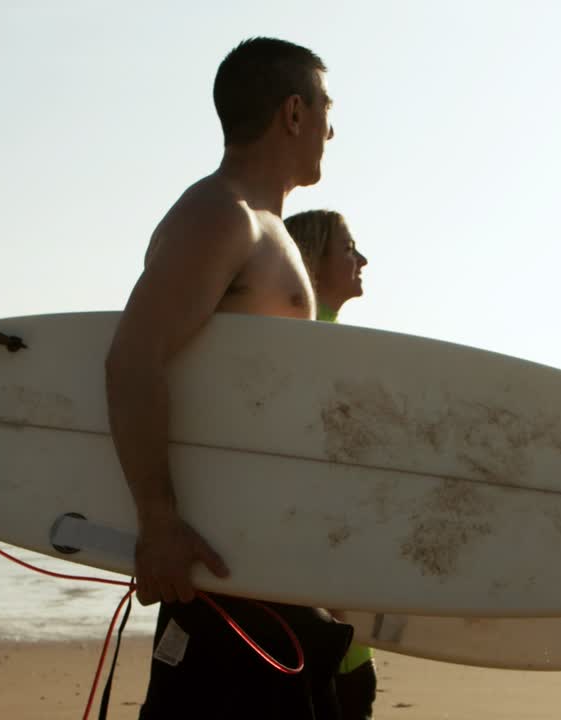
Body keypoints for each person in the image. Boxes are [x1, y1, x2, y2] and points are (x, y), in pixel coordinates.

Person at [104, 38, 352, 719]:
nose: (333, 130)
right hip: (223, 579)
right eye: (327, 109)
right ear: (294, 113)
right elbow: (134, 359)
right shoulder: (221, 216)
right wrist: (158, 521)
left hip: (266, 568)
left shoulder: (264, 227)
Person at [284, 209, 373, 719]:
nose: (362, 259)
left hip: (342, 619)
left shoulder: (337, 349)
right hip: (316, 621)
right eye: (348, 248)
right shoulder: (297, 352)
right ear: (312, 263)